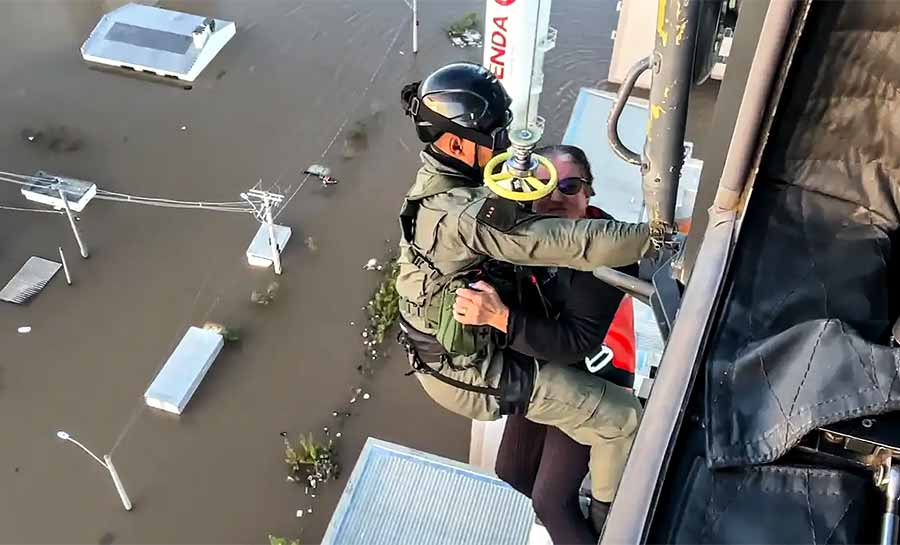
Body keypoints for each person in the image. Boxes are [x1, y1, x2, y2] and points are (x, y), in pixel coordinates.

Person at [396, 62, 649, 532]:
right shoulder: (466, 216)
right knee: (622, 421)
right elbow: (571, 243)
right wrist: (660, 236)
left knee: (549, 477)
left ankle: (602, 514)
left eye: (570, 187)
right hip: (470, 368)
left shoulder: (442, 185)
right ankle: (618, 526)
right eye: (494, 136)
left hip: (484, 348)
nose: (504, 146)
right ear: (454, 144)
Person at [453, 145, 636, 543]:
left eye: (569, 186)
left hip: (593, 375)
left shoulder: (607, 252)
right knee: (513, 471)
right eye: (544, 185)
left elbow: (576, 342)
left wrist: (498, 317)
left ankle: (593, 525)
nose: (554, 198)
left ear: (589, 195)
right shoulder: (526, 237)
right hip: (541, 361)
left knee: (550, 502)